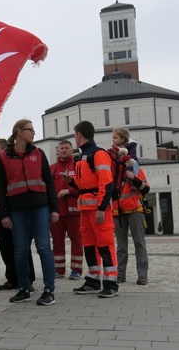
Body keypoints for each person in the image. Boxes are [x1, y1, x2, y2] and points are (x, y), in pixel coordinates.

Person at [0, 120, 58, 306]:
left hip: (40, 206)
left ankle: (49, 290)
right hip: (17, 210)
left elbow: (49, 181)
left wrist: (54, 208)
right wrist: (4, 214)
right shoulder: (4, 157)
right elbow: (0, 186)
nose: (33, 133)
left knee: (44, 247)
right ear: (19, 132)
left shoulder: (38, 153)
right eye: (30, 130)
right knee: (20, 250)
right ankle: (24, 289)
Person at [62, 120, 119, 298]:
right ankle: (93, 280)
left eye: (74, 134)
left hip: (98, 209)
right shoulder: (84, 156)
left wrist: (102, 208)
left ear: (78, 135)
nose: (74, 137)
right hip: (86, 210)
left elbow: (106, 183)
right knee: (89, 245)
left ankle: (111, 283)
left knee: (105, 244)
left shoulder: (97, 154)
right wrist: (71, 181)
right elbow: (85, 185)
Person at [0, 138, 36, 291]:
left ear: (4, 150)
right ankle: (12, 279)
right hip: (4, 210)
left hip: (18, 210)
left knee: (21, 246)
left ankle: (27, 279)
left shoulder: (13, 163)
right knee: (5, 246)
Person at [49, 140, 83, 280]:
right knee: (57, 241)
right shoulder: (52, 168)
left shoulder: (78, 166)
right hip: (57, 212)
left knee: (77, 240)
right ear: (58, 150)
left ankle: (76, 270)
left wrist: (69, 191)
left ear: (72, 149)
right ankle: (58, 269)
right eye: (61, 148)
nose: (63, 150)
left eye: (66, 148)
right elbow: (48, 189)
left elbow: (83, 186)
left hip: (74, 212)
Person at [113, 167, 150, 285]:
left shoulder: (136, 170)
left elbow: (146, 189)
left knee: (139, 243)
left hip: (135, 211)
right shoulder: (112, 169)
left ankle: (142, 275)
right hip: (117, 213)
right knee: (121, 246)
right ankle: (120, 275)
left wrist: (134, 178)